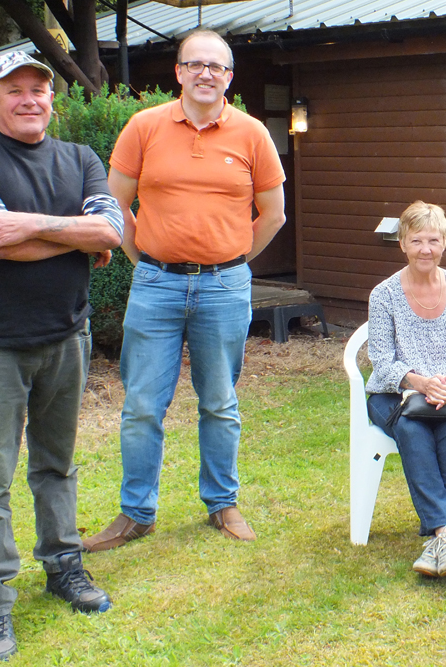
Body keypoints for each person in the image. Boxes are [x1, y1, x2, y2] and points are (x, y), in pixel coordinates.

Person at [0, 51, 124, 661]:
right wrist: (69, 234)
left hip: (66, 337)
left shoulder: (79, 159)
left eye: (38, 90)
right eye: (13, 89)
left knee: (58, 466)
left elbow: (110, 232)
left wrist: (27, 226)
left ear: (52, 99)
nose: (28, 99)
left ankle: (63, 567)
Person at [84, 30, 286, 551]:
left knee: (220, 402)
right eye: (195, 64)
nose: (205, 74)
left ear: (229, 77)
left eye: (216, 67)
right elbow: (115, 207)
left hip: (224, 286)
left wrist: (235, 260)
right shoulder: (144, 127)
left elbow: (274, 214)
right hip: (156, 285)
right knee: (143, 406)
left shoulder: (252, 134)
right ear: (178, 72)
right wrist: (145, 263)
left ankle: (222, 503)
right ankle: (136, 513)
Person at [365, 201, 446, 577]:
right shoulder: (384, 295)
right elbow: (382, 360)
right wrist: (419, 382)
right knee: (411, 427)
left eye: (433, 240)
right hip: (396, 392)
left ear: (444, 243)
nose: (425, 249)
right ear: (402, 243)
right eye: (416, 240)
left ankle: (440, 534)